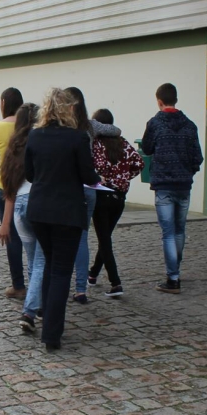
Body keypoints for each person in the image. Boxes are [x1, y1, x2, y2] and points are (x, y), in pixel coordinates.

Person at [25, 88, 100, 351]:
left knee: (49, 266)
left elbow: (30, 174)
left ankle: (47, 321)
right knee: (60, 271)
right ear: (69, 109)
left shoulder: (34, 136)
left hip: (39, 211)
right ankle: (52, 334)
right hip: (67, 212)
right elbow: (89, 176)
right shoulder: (77, 138)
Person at [141, 83, 203, 294]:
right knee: (179, 230)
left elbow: (147, 148)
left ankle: (173, 278)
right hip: (184, 185)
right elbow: (198, 157)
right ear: (175, 99)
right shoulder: (190, 125)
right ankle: (175, 270)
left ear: (159, 101)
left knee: (168, 233)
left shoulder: (155, 123)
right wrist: (188, 172)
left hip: (164, 185)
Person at [65, 87, 121, 304]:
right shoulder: (89, 125)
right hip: (90, 187)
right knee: (81, 239)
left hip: (69, 187)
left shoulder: (62, 126)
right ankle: (81, 289)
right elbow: (115, 130)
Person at [0, 103, 45, 333]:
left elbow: (10, 190)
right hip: (37, 204)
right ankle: (29, 311)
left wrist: (5, 223)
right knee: (42, 261)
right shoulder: (39, 142)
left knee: (34, 261)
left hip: (18, 211)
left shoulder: (13, 148)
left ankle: (39, 303)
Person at [88, 109, 144, 297]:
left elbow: (90, 167)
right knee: (106, 238)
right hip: (119, 198)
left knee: (105, 240)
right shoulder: (124, 144)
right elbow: (139, 163)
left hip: (102, 197)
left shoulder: (95, 145)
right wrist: (126, 177)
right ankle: (93, 274)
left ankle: (115, 283)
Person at [0, 87, 26, 299]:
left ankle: (18, 284)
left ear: (3, 103)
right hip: (27, 186)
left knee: (11, 235)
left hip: (3, 184)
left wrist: (2, 166)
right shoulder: (28, 127)